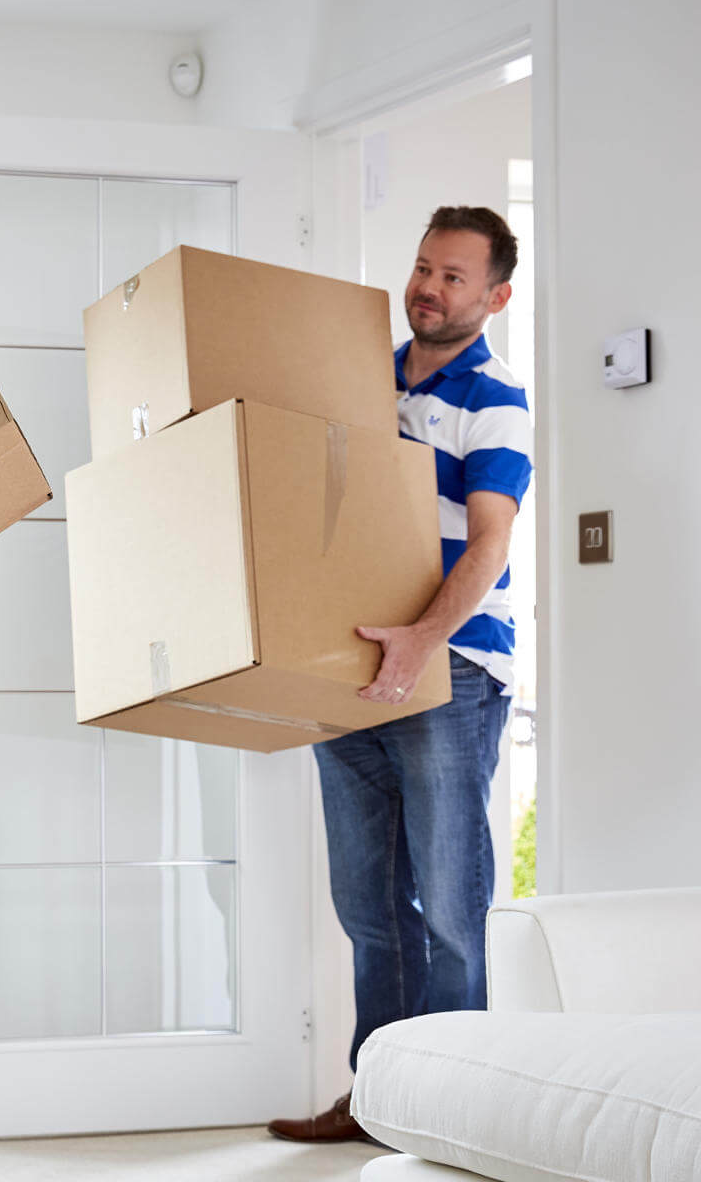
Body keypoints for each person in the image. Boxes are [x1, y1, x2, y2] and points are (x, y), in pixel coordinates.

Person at [269, 206, 533, 1145]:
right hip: (348, 660)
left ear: (497, 295)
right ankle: (380, 1101)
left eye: (455, 276)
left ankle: (461, 1112)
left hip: (450, 669)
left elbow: (492, 541)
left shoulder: (495, 396)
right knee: (370, 906)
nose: (429, 287)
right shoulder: (355, 378)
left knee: (453, 907)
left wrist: (422, 639)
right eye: (424, 268)